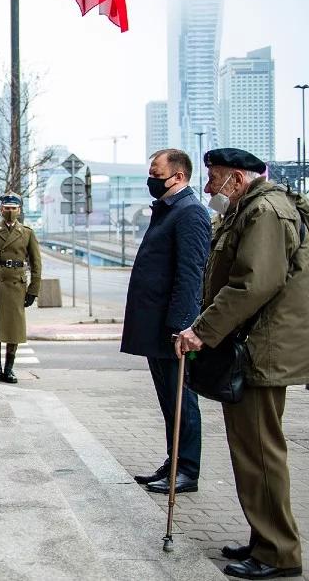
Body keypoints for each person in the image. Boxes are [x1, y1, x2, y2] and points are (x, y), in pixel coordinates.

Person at [175, 148, 309, 580]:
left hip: (260, 349)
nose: (209, 187)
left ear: (236, 178)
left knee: (261, 452)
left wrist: (202, 330)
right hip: (254, 346)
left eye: (214, 178)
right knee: (252, 449)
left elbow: (253, 284)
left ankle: (277, 553)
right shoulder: (249, 208)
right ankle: (264, 536)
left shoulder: (265, 212)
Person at [121, 149, 210, 496]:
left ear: (179, 176)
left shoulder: (189, 213)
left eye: (156, 174)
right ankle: (174, 461)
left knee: (182, 400)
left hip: (174, 330)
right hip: (157, 327)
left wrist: (183, 328)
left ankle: (187, 469)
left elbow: (190, 275)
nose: (151, 179)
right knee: (169, 400)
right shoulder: (168, 211)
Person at [0, 193, 41, 383]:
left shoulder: (27, 233)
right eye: (7, 208)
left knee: (14, 329)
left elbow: (36, 264)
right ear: (1, 209)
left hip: (16, 286)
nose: (10, 211)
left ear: (19, 210)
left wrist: (33, 290)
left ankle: (9, 369)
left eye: (13, 208)